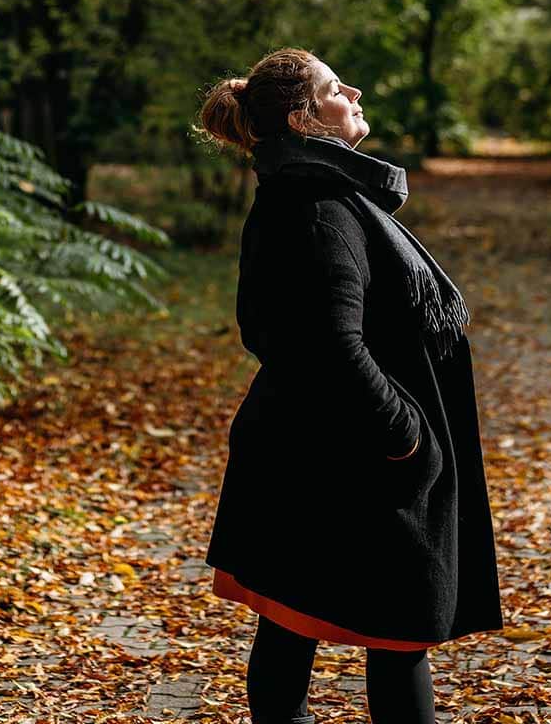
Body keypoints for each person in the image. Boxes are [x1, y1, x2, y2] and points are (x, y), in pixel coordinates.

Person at [194, 47, 504, 724]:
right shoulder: (317, 209)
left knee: (291, 620)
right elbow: (329, 343)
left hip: (313, 447)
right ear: (306, 118)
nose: (356, 90)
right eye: (337, 88)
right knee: (397, 636)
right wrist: (407, 438)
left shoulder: (313, 192)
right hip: (349, 459)